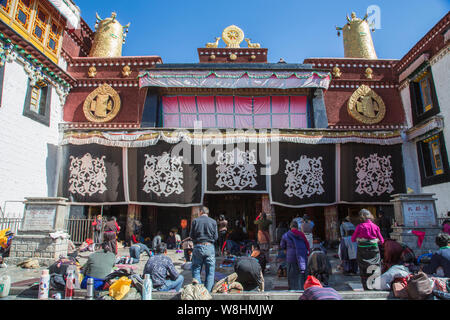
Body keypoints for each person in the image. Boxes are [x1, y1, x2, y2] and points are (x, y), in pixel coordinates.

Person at [351, 208, 384, 290]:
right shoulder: (375, 226)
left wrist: (360, 239)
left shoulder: (360, 226)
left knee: (363, 268)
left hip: (362, 250)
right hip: (374, 250)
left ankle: (366, 287)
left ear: (362, 217)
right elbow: (382, 241)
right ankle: (374, 285)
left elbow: (353, 239)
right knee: (374, 267)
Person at [190, 206, 218, 292]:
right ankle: (208, 292)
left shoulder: (195, 221)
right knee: (210, 271)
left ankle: (198, 291)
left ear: (201, 212)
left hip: (198, 246)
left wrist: (196, 242)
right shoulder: (213, 222)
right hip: (209, 247)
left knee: (196, 269)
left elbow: (191, 235)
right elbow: (216, 237)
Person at [280, 220, 310, 290]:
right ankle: (301, 289)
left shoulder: (286, 235)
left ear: (290, 227)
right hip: (301, 257)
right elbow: (307, 244)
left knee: (292, 275)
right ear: (297, 227)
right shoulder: (301, 234)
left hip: (291, 258)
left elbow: (282, 245)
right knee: (301, 275)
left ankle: (292, 289)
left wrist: (286, 250)